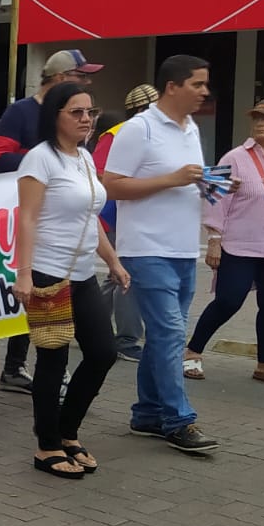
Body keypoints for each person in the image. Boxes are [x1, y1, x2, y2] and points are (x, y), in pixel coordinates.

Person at [101, 53, 219, 454]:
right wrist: (172, 179)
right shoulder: (139, 130)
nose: (205, 92)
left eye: (205, 84)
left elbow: (186, 183)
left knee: (163, 338)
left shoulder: (190, 130)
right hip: (145, 249)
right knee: (170, 334)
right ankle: (179, 420)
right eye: (197, 84)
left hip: (184, 248)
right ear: (173, 86)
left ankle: (147, 414)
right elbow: (111, 186)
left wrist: (211, 186)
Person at [12, 82, 127, 480]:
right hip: (47, 273)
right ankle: (47, 445)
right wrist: (23, 274)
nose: (86, 120)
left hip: (82, 273)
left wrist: (112, 260)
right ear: (56, 116)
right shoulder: (39, 160)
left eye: (90, 112)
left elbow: (89, 216)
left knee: (102, 353)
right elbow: (25, 217)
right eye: (76, 112)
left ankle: (68, 431)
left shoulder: (83, 158)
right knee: (53, 358)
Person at [0, 48, 104, 395]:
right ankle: (23, 374)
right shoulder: (22, 112)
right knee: (37, 297)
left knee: (92, 344)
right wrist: (47, 159)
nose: (85, 83)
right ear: (59, 79)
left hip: (68, 232)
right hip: (30, 216)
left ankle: (19, 369)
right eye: (80, 76)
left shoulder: (79, 141)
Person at [184, 98, 264, 388]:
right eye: (256, 119)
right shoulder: (234, 158)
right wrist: (215, 239)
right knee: (228, 300)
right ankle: (193, 352)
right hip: (239, 245)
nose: (260, 123)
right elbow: (216, 201)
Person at [92, 85, 158, 362]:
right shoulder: (119, 134)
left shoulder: (154, 133)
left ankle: (95, 328)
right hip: (117, 214)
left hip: (137, 213)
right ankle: (126, 339)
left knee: (115, 276)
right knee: (127, 276)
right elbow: (98, 174)